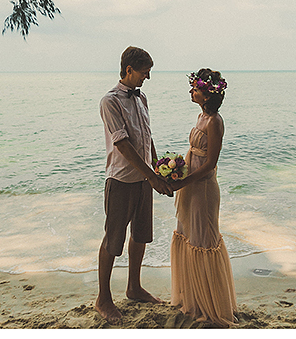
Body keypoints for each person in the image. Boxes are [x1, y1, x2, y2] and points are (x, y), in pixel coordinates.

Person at [95, 46, 174, 325]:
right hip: (121, 179)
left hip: (144, 179)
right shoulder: (110, 101)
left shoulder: (142, 99)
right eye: (144, 72)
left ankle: (134, 287)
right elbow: (123, 144)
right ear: (129, 69)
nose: (147, 77)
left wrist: (158, 167)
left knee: (140, 235)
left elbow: (147, 137)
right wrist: (151, 177)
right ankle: (103, 298)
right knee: (113, 239)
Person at [168, 68, 237, 327]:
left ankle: (212, 305)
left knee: (203, 240)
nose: (191, 91)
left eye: (195, 89)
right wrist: (176, 171)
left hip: (203, 189)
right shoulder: (200, 117)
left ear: (207, 95)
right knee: (187, 235)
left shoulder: (214, 122)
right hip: (189, 185)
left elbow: (210, 164)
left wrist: (184, 181)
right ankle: (194, 299)